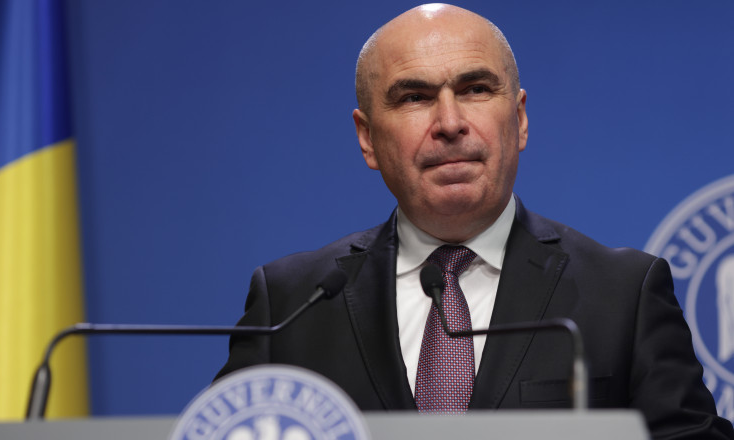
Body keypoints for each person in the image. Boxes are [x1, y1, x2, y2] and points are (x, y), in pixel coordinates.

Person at [216, 4, 734, 438]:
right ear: (368, 138)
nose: (449, 123)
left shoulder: (624, 294)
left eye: (476, 89)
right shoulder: (291, 303)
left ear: (520, 119)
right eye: (415, 97)